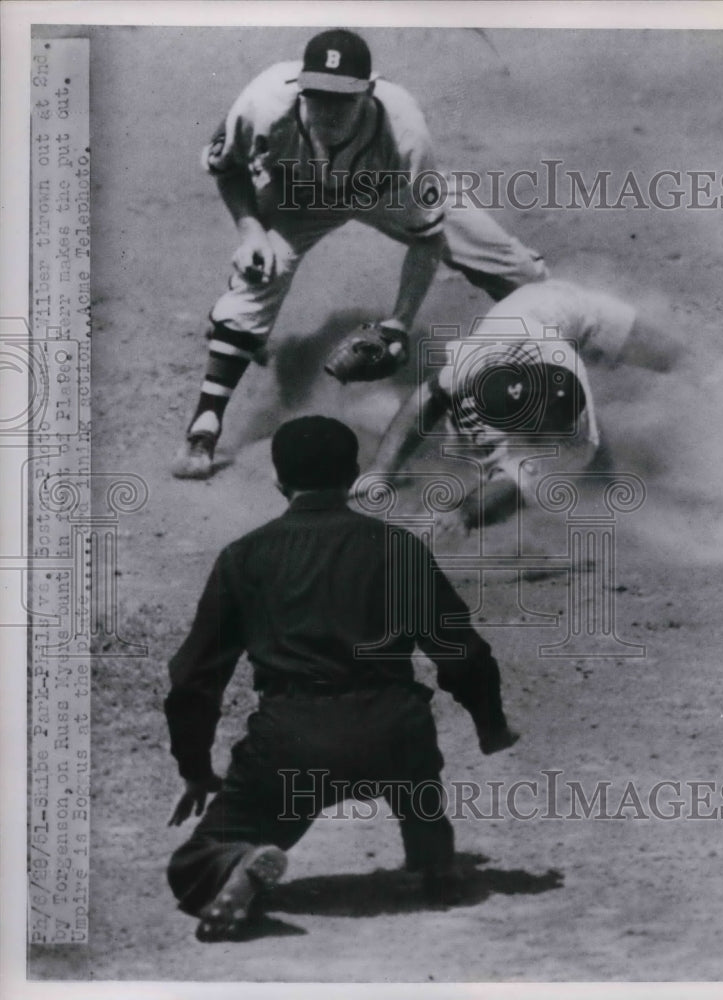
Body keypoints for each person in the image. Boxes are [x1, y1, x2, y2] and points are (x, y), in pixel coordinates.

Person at [165, 415, 519, 941]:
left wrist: (195, 767)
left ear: (278, 481)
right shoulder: (397, 548)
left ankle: (235, 861)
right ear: (354, 475)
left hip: (293, 742)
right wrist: (490, 724)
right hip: (391, 733)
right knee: (408, 738)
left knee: (192, 864)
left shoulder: (244, 557)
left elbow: (193, 676)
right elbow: (462, 653)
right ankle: (433, 862)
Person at [172, 28, 548, 480]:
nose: (328, 110)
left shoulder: (404, 130)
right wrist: (252, 230)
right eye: (318, 96)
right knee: (262, 271)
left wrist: (398, 324)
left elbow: (427, 237)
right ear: (300, 87)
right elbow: (227, 168)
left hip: (384, 190)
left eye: (342, 99)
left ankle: (572, 355)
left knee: (517, 270)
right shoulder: (265, 102)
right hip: (300, 194)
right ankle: (204, 425)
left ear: (367, 93)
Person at [360, 278, 682, 531]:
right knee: (467, 442)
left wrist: (462, 514)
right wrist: (380, 471)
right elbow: (428, 397)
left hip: (573, 313)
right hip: (534, 314)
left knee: (672, 356)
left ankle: (720, 386)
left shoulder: (576, 441)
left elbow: (511, 490)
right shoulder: (478, 366)